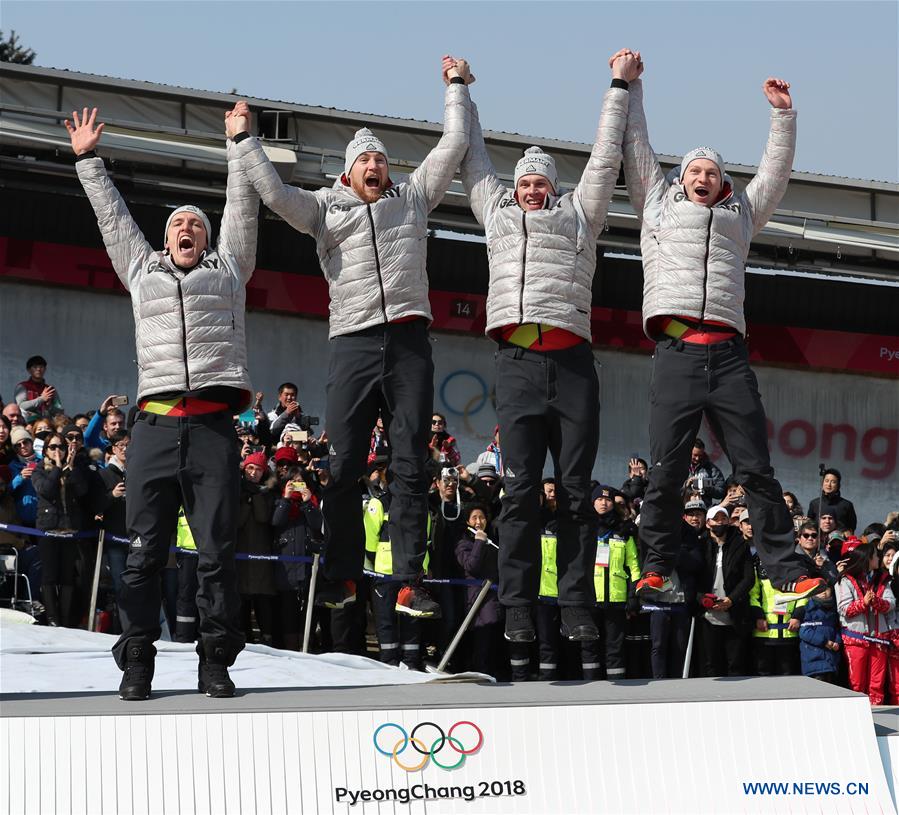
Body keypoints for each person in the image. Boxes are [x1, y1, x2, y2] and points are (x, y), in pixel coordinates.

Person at [231, 58, 472, 618]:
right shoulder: (323, 208)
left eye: (382, 160)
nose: (375, 165)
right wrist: (244, 139)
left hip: (410, 340)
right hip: (353, 343)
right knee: (342, 466)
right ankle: (340, 577)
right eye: (364, 159)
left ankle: (409, 581)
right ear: (348, 170)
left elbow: (453, 144)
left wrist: (456, 87)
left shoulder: (412, 198)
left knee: (412, 463)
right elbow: (271, 192)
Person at [66, 102, 260, 700]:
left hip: (211, 430)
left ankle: (214, 663)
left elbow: (241, 208)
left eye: (196, 226)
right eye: (179, 225)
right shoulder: (141, 270)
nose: (188, 231)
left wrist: (239, 143)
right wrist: (88, 160)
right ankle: (137, 664)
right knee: (144, 555)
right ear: (166, 236)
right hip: (152, 428)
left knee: (215, 556)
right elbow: (115, 219)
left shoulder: (230, 268)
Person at [620, 53, 824, 604]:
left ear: (723, 182)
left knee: (755, 467)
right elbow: (636, 151)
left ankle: (784, 569)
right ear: (679, 179)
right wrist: (630, 89)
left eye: (711, 172)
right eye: (693, 171)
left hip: (730, 356)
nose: (703, 178)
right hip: (678, 352)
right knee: (664, 472)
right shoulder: (657, 207)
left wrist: (783, 117)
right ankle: (655, 568)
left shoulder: (742, 215)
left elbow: (775, 175)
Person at [460, 50, 638, 643]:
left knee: (578, 491)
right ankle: (516, 605)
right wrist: (460, 88)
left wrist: (618, 85)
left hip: (572, 365)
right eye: (524, 183)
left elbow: (607, 156)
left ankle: (574, 604)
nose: (532, 190)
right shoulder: (497, 215)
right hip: (515, 364)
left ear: (555, 188)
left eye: (540, 183)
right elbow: (474, 155)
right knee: (518, 492)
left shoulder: (580, 215)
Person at [31, 431, 89, 626]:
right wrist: (57, 468)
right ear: (45, 450)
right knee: (49, 574)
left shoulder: (72, 469)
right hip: (48, 529)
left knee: (67, 575)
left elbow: (82, 491)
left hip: (69, 529)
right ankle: (52, 618)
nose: (58, 451)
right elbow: (45, 490)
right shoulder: (39, 469)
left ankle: (64, 619)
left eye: (61, 447)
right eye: (53, 447)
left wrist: (70, 468)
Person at [698, 505, 754, 677]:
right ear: (708, 523)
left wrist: (731, 599)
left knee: (735, 665)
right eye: (716, 519)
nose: (720, 522)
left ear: (729, 521)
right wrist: (701, 598)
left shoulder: (740, 545)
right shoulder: (699, 544)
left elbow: (748, 579)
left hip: (734, 614)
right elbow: (692, 578)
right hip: (707, 614)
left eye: (723, 519)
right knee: (711, 664)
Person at [836, 544, 894, 705]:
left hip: (879, 640)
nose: (878, 558)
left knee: (877, 686)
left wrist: (877, 602)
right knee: (857, 685)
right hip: (857, 640)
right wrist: (864, 603)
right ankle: (859, 723)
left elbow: (891, 604)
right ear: (867, 558)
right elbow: (844, 609)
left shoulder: (883, 579)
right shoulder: (845, 579)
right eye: (876, 555)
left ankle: (879, 721)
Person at [14, 355, 63, 424]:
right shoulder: (22, 386)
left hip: (47, 426)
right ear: (28, 370)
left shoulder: (50, 389)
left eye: (41, 367)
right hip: (27, 425)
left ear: (45, 369)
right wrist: (41, 399)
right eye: (35, 367)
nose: (38, 369)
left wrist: (49, 406)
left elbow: (60, 412)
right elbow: (21, 406)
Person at [808, 468, 857, 534]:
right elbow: (810, 525)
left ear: (838, 486)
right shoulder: (814, 503)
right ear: (822, 484)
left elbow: (852, 527)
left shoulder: (847, 505)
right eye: (826, 481)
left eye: (833, 482)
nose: (829, 485)